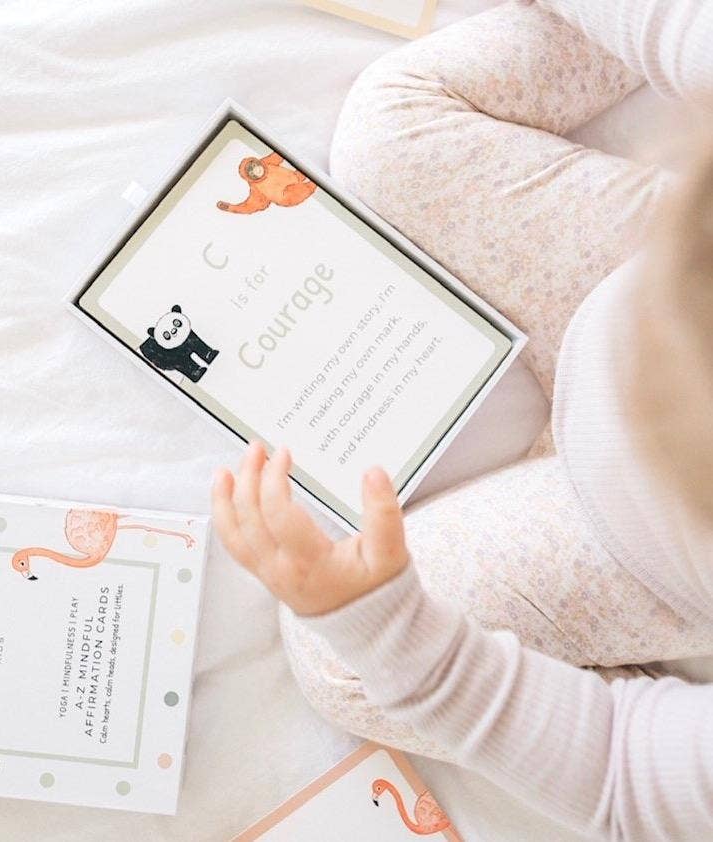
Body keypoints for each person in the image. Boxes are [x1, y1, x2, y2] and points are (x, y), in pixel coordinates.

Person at [212, 2, 713, 840]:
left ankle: (593, 658)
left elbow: (623, 773)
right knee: (385, 134)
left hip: (628, 545)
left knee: (337, 658)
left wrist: (393, 630)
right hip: (631, 271)